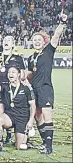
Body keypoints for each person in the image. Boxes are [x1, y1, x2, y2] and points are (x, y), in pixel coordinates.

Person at [26, 9, 67, 154]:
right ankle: (44, 142)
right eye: (34, 40)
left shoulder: (49, 51)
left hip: (45, 88)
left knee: (46, 113)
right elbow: (30, 74)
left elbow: (56, 36)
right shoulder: (31, 58)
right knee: (37, 115)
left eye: (39, 40)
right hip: (34, 89)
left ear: (44, 41)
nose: (36, 42)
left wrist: (62, 22)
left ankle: (49, 147)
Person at [0, 66, 36, 153]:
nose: (10, 74)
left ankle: (26, 140)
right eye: (9, 72)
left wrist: (30, 121)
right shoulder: (5, 86)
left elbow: (33, 106)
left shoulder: (26, 88)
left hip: (22, 118)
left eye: (13, 72)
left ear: (18, 74)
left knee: (20, 147)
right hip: (10, 116)